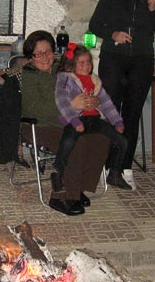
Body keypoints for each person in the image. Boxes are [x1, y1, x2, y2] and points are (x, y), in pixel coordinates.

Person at [0, 30, 111, 216]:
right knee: (77, 143)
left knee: (101, 139)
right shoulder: (27, 75)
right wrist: (71, 104)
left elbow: (86, 84)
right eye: (38, 54)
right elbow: (35, 108)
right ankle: (59, 197)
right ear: (31, 57)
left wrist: (93, 100)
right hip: (37, 125)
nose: (45, 57)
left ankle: (77, 188)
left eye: (48, 52)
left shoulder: (63, 69)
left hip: (69, 121)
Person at [89, 0, 155, 190]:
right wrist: (112, 33)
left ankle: (123, 168)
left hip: (141, 59)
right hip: (113, 57)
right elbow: (94, 25)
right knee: (111, 112)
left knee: (132, 115)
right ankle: (105, 165)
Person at [52, 43, 130, 192]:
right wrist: (74, 121)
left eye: (88, 62)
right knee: (68, 141)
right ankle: (58, 172)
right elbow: (61, 101)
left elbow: (106, 102)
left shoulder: (95, 80)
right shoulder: (66, 79)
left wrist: (117, 121)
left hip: (94, 120)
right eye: (81, 62)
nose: (86, 65)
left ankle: (114, 173)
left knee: (122, 141)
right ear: (71, 64)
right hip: (74, 119)